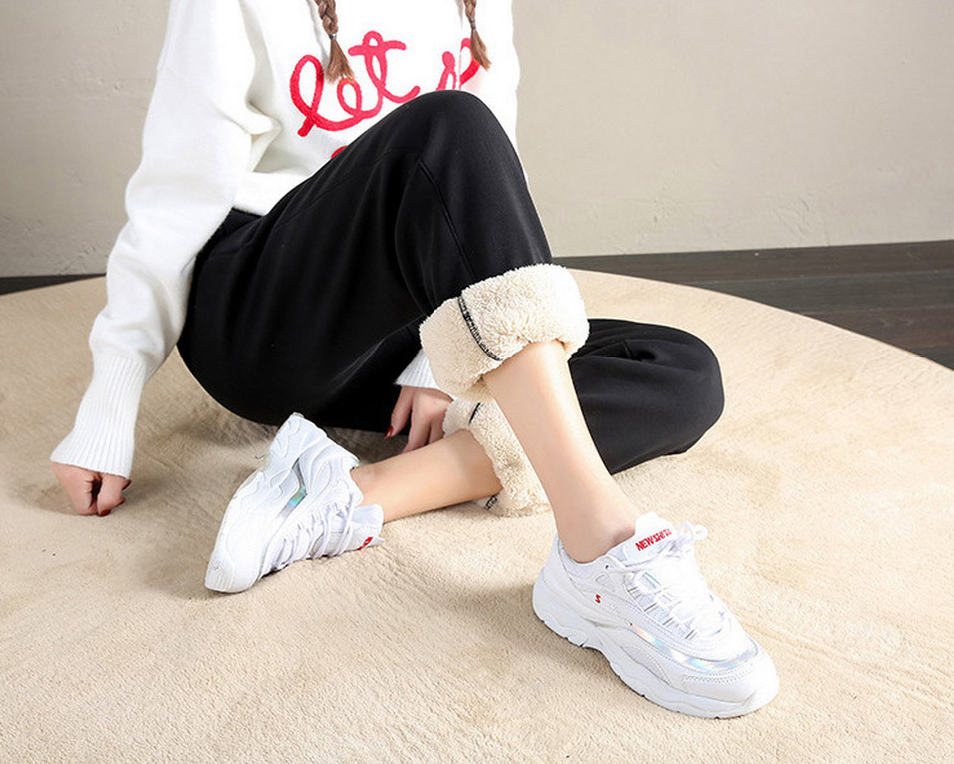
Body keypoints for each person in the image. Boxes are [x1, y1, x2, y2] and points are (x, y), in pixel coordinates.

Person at [49, 0, 779, 717]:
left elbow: (481, 187)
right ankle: (599, 542)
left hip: (400, 316)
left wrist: (440, 359)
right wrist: (109, 398)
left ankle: (346, 495)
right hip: (264, 312)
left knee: (680, 369)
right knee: (449, 122)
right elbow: (173, 203)